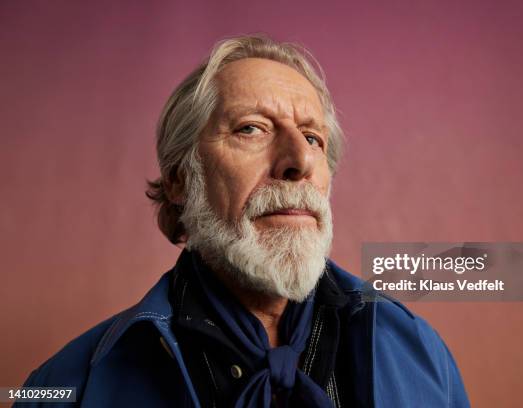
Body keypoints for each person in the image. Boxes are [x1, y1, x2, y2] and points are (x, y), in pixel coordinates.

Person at [23, 35, 470, 407]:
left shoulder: (422, 354)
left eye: (313, 138)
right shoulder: (62, 390)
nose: (298, 161)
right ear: (181, 179)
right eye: (251, 129)